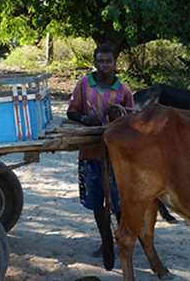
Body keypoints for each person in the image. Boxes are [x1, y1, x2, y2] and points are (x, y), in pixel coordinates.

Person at [67, 44, 134, 262]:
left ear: (115, 63)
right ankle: (106, 242)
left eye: (109, 61)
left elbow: (132, 123)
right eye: (101, 61)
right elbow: (72, 112)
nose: (105, 65)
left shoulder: (124, 90)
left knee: (119, 202)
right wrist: (84, 118)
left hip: (117, 157)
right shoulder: (84, 83)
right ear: (95, 63)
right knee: (97, 202)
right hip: (90, 153)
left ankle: (122, 238)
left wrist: (119, 118)